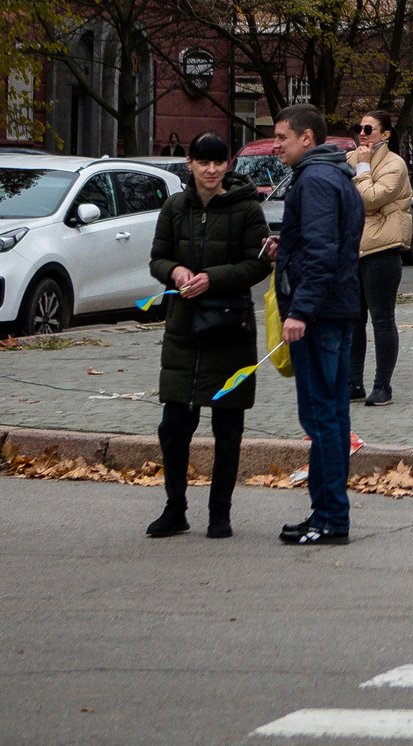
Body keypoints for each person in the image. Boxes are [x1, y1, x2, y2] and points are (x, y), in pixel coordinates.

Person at [146, 132, 270, 539]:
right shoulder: (174, 207)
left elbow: (257, 266)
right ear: (191, 164)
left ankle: (220, 512)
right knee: (174, 426)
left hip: (229, 329)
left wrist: (211, 280)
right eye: (204, 162)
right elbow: (158, 257)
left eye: (219, 163)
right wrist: (175, 272)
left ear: (227, 166)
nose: (212, 170)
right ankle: (175, 508)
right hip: (183, 329)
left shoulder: (247, 209)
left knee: (228, 428)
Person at [271, 104, 363, 545]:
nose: (276, 145)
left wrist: (299, 311)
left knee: (323, 417)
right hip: (337, 310)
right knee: (334, 416)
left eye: (282, 137)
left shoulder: (316, 181)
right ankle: (327, 513)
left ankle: (329, 518)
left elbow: (323, 252)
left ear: (307, 138)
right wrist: (284, 248)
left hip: (320, 316)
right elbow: (325, 244)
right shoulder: (335, 177)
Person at [347, 111, 413, 407]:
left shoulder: (394, 164)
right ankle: (352, 383)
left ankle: (382, 385)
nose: (362, 133)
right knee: (353, 319)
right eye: (359, 128)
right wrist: (364, 200)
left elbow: (370, 198)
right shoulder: (348, 159)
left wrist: (362, 170)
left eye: (369, 128)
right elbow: (347, 200)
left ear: (385, 134)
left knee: (382, 319)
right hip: (353, 250)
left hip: (382, 251)